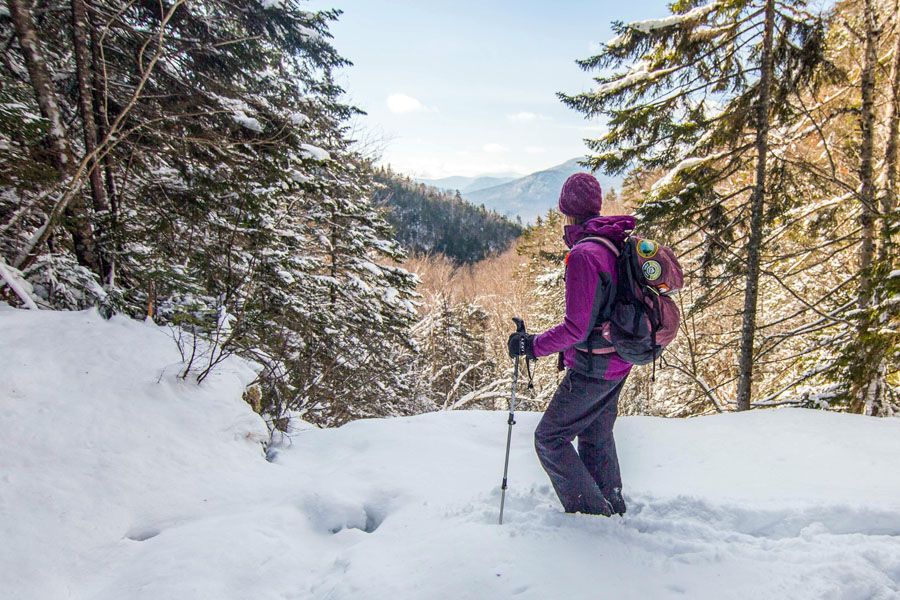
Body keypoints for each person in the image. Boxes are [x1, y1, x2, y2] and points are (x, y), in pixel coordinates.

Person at [508, 172, 634, 517]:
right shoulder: (612, 242)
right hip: (619, 361)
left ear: (566, 210)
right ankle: (613, 506)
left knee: (549, 438)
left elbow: (577, 328)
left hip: (596, 366)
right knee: (596, 435)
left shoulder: (584, 254)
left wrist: (531, 346)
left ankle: (593, 515)